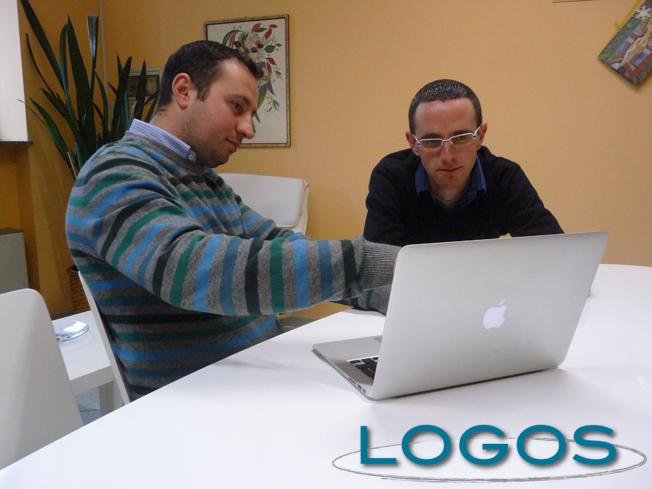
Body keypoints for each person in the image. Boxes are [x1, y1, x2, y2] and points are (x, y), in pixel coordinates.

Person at [66, 40, 398, 399]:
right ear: (184, 90)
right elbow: (193, 270)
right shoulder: (113, 173)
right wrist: (369, 262)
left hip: (255, 381)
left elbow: (276, 244)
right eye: (237, 107)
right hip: (193, 404)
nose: (248, 129)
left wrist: (394, 292)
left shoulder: (205, 180)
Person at [351, 79, 562, 313]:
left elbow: (557, 259)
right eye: (432, 141)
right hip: (416, 317)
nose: (448, 156)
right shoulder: (392, 178)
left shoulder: (504, 177)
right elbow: (376, 275)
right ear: (413, 143)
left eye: (461, 138)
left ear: (480, 136)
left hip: (480, 312)